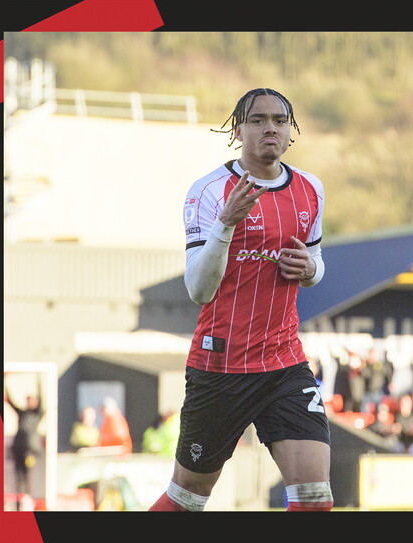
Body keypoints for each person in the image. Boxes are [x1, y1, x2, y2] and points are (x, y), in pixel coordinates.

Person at [149, 88, 333, 512]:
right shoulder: (209, 191)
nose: (270, 127)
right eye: (257, 119)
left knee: (315, 500)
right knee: (185, 501)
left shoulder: (310, 189)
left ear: (290, 131)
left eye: (280, 120)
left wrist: (310, 270)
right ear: (238, 130)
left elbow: (316, 262)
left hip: (283, 363)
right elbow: (198, 289)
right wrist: (226, 225)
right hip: (222, 366)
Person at [4, 376, 44, 502]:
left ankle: (27, 498)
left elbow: (42, 398)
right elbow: (10, 401)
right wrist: (5, 382)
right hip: (18, 447)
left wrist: (38, 379)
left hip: (30, 449)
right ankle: (19, 499)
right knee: (18, 475)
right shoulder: (22, 414)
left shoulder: (37, 414)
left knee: (27, 474)